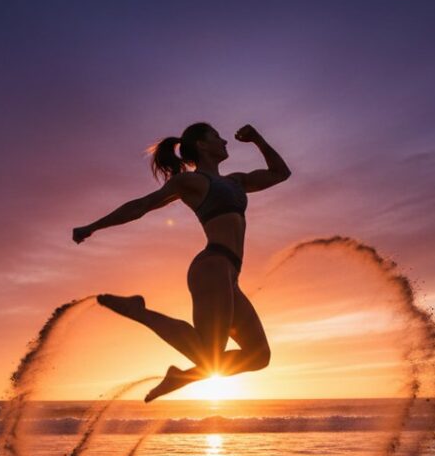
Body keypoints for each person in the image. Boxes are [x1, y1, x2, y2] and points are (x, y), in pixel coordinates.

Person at [72, 122, 291, 401]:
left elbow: (280, 173)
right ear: (201, 144)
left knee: (258, 356)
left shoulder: (236, 181)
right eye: (216, 136)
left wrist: (257, 138)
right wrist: (92, 226)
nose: (225, 141)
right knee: (209, 352)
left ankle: (181, 375)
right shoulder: (191, 182)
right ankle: (139, 312)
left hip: (229, 275)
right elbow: (141, 206)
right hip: (212, 266)